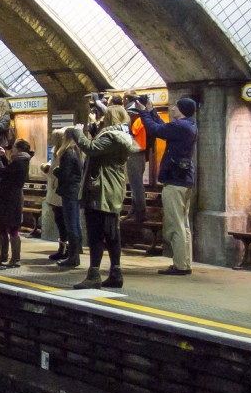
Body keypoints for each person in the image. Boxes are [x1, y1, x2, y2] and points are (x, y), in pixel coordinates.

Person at [70, 105, 137, 289]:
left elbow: (91, 148)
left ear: (110, 118)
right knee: (112, 233)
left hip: (102, 189)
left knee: (96, 233)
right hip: (111, 187)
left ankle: (94, 275)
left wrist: (77, 133)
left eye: (104, 117)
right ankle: (116, 273)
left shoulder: (112, 137)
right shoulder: (120, 136)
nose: (102, 120)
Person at [139, 96, 198, 276]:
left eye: (175, 107)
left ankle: (180, 266)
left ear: (181, 109)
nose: (172, 109)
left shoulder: (180, 126)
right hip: (184, 180)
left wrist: (143, 112)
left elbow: (155, 129)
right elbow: (163, 128)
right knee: (184, 225)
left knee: (175, 225)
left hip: (174, 181)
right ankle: (184, 263)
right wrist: (151, 111)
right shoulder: (189, 125)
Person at [0, 138, 34, 268]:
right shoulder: (19, 160)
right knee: (1, 226)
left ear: (19, 148)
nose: (12, 148)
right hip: (7, 197)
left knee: (12, 228)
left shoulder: (20, 162)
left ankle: (15, 259)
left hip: (12, 199)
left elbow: (2, 172)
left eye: (14, 146)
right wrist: (3, 157)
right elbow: (8, 171)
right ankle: (3, 256)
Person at [53, 126, 84, 268]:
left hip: (69, 191)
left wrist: (56, 171)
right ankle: (75, 253)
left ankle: (73, 257)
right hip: (76, 190)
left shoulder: (67, 153)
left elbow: (64, 174)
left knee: (71, 224)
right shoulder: (77, 151)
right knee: (75, 223)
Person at [40, 129, 67, 261]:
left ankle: (65, 249)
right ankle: (63, 248)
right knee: (60, 221)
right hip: (55, 192)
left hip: (59, 192)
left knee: (63, 222)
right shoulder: (56, 152)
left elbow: (56, 172)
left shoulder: (64, 153)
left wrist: (48, 169)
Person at [123, 90, 148, 224]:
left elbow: (130, 132)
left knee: (136, 184)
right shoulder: (138, 112)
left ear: (127, 99)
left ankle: (140, 213)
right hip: (140, 151)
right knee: (135, 184)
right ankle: (134, 210)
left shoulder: (133, 113)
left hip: (135, 151)